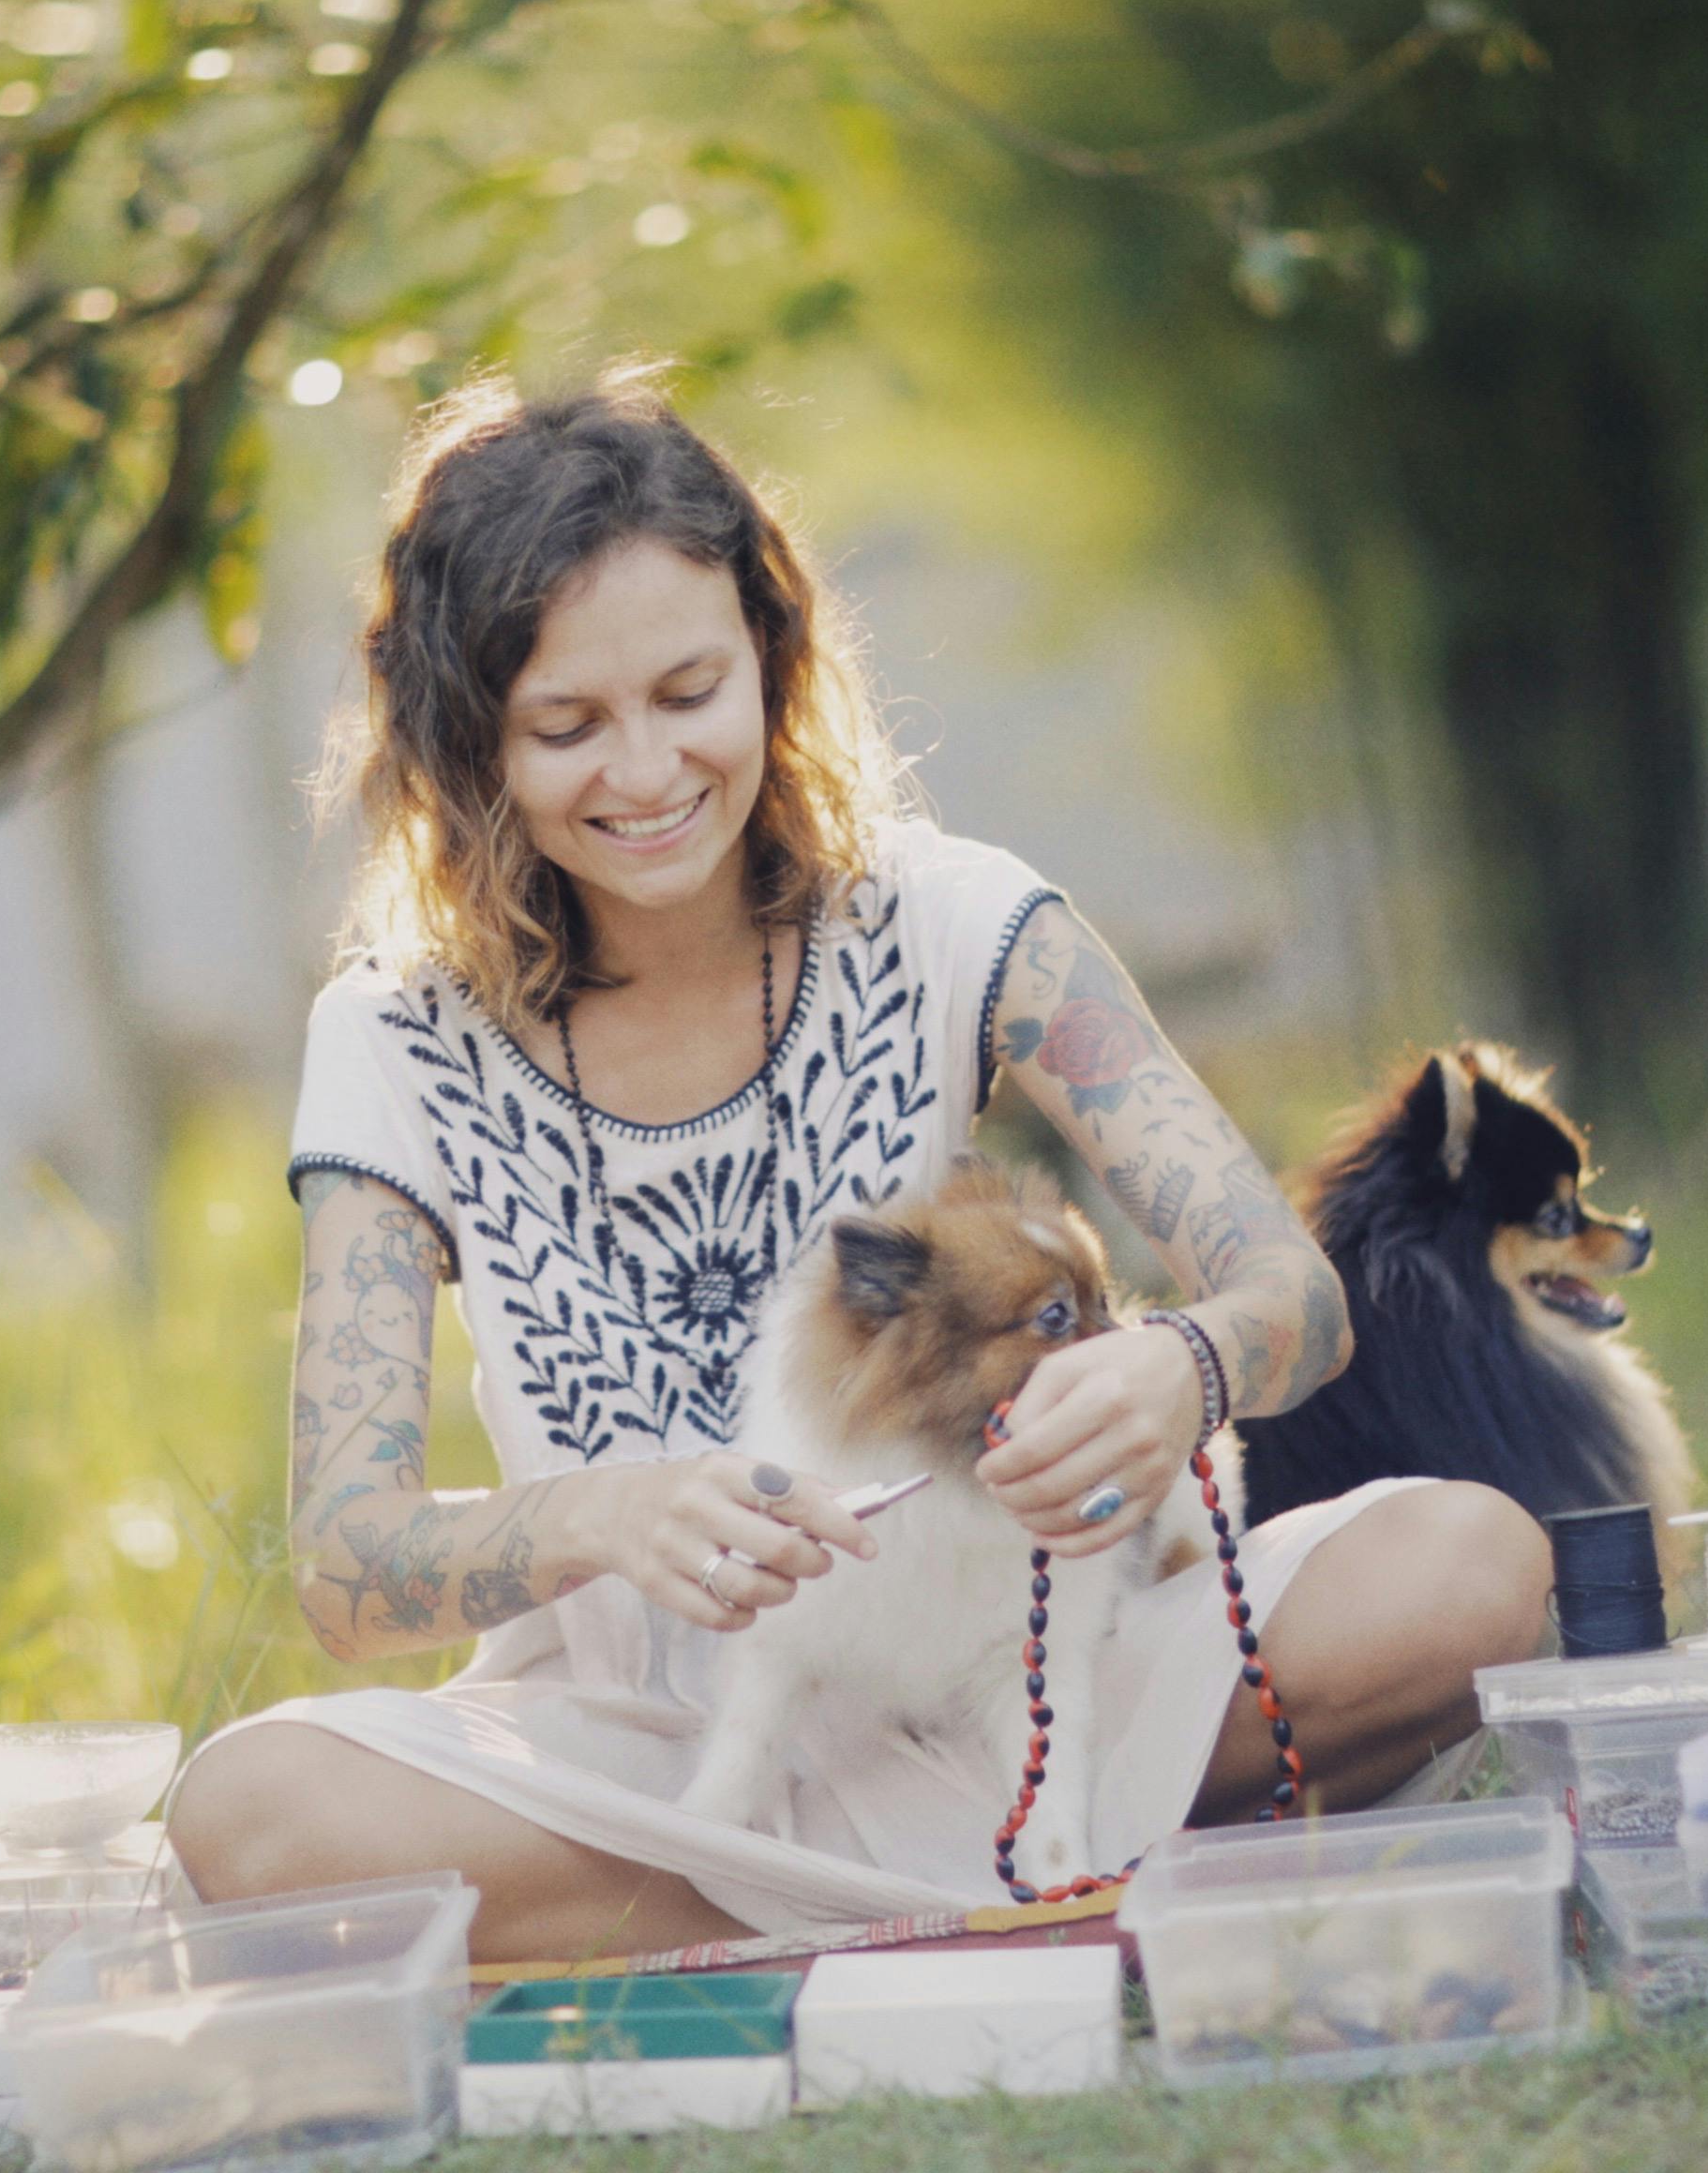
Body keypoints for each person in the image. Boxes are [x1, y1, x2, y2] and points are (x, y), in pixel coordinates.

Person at [165, 368, 1550, 1961]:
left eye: (689, 694)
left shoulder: (956, 920)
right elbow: (345, 1568)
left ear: (771, 655)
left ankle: (798, 1912)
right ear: (472, 743)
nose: (644, 773)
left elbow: (1289, 1295)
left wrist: (1179, 1367)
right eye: (566, 726)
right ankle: (1018, 1880)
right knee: (252, 1812)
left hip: (1020, 1671)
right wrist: (606, 1516)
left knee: (1468, 1569)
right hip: (646, 1746)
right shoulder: (393, 1038)